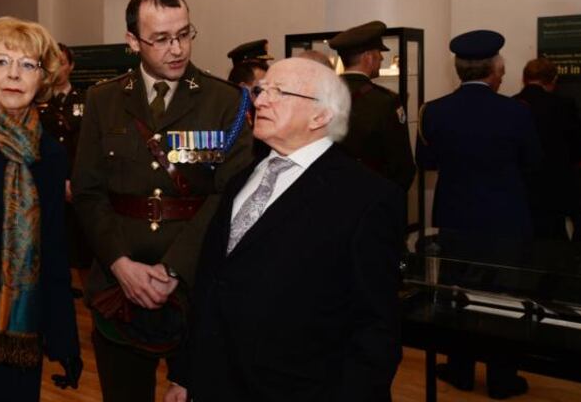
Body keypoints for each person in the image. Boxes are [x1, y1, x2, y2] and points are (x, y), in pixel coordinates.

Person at [166, 57, 405, 402]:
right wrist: (185, 374)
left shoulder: (366, 199)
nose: (260, 100)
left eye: (279, 92)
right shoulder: (239, 181)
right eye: (261, 90)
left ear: (320, 115)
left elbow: (375, 329)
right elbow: (211, 284)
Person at [72, 0, 253, 402]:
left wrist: (173, 270)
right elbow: (88, 192)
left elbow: (230, 195)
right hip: (118, 285)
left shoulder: (225, 101)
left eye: (185, 34)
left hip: (195, 286)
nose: (177, 49)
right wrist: (120, 264)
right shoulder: (103, 99)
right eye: (161, 39)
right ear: (133, 41)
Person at [416, 29, 542, 398]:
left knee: (457, 294)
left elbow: (426, 161)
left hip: (455, 215)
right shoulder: (516, 112)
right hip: (505, 216)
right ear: (493, 70)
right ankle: (502, 378)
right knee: (503, 298)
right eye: (501, 69)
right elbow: (533, 162)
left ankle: (460, 370)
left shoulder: (435, 111)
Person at [0, 17, 81, 401]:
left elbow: (54, 251)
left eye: (27, 65)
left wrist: (64, 336)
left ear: (42, 76)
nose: (13, 74)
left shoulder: (50, 154)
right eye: (1, 62)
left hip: (21, 326)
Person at [329, 21, 415, 192]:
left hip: (330, 191)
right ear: (368, 57)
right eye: (379, 54)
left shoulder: (321, 94)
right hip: (371, 193)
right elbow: (401, 165)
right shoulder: (386, 101)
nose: (382, 59)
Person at [513, 57, 581, 241]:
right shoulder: (563, 105)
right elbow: (578, 148)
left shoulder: (510, 105)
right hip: (555, 188)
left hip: (519, 188)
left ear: (524, 78)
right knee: (554, 246)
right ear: (553, 80)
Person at [36, 43, 92, 283]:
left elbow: (91, 148)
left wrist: (77, 182)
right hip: (48, 190)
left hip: (79, 190)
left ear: (71, 66)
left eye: (61, 61)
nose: (56, 68)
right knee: (51, 253)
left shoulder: (87, 100)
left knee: (84, 255)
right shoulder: (35, 104)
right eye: (51, 62)